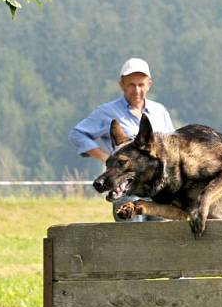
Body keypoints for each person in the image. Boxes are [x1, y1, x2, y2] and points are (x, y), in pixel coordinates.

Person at [69, 58, 175, 221]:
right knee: (130, 239)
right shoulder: (107, 111)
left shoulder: (159, 111)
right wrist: (105, 157)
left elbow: (173, 146)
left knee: (162, 239)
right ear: (121, 85)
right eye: (131, 84)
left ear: (149, 84)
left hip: (159, 190)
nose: (136, 90)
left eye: (141, 84)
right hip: (126, 188)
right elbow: (78, 133)